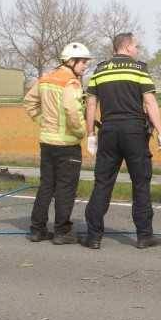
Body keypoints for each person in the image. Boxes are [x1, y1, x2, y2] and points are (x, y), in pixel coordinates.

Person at [81, 32, 161, 250]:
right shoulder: (139, 69)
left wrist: (90, 134)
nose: (137, 49)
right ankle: (144, 236)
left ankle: (93, 236)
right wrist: (160, 131)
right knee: (140, 182)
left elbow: (91, 105)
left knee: (103, 182)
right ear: (127, 47)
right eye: (136, 46)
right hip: (134, 131)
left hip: (108, 131)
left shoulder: (99, 70)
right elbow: (150, 103)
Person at [22, 42, 91, 244]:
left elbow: (29, 102)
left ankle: (37, 230)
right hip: (67, 145)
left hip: (47, 142)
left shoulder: (46, 79)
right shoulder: (71, 82)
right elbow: (72, 110)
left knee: (46, 186)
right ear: (71, 61)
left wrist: (42, 121)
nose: (86, 65)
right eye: (83, 62)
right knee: (66, 189)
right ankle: (62, 232)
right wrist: (82, 132)